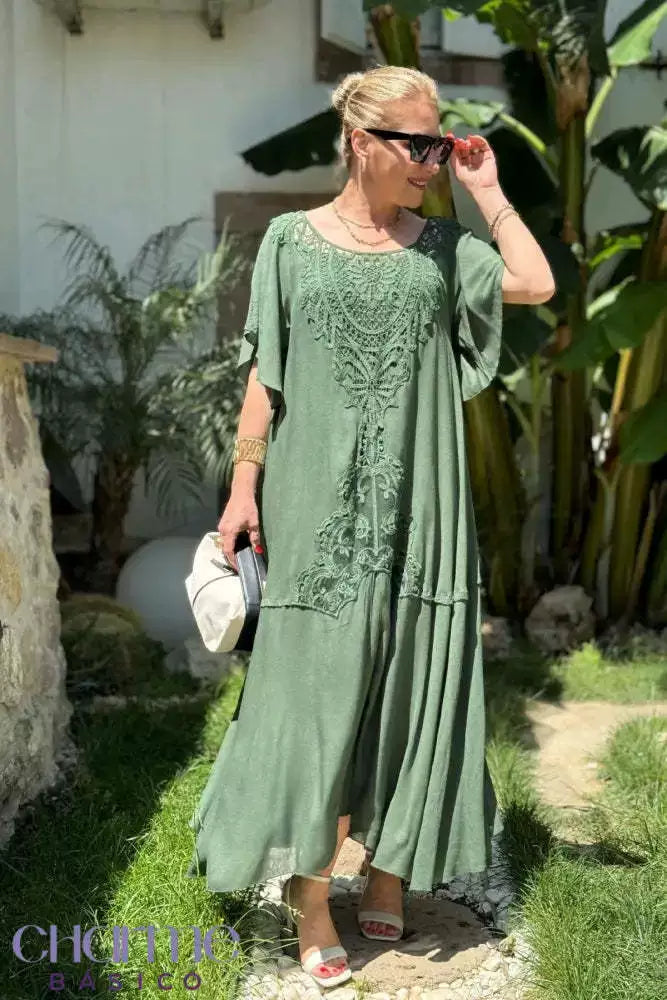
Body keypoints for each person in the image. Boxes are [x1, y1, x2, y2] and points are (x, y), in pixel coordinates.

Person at [186, 65, 555, 988]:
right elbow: (265, 372)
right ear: (360, 142)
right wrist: (242, 486)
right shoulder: (288, 241)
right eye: (417, 144)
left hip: (423, 503)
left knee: (412, 676)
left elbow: (534, 281)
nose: (431, 159)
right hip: (313, 502)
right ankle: (310, 895)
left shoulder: (444, 248)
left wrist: (486, 190)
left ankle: (388, 866)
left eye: (439, 143)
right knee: (311, 692)